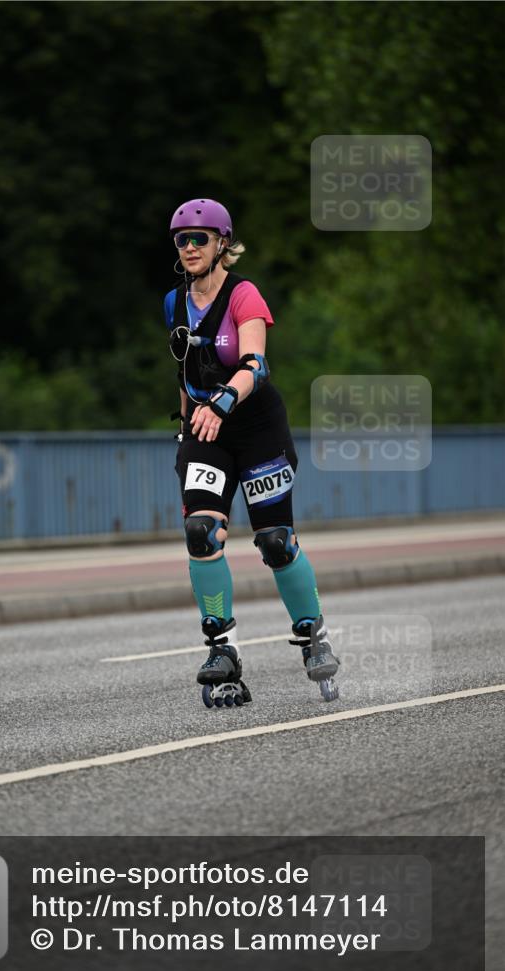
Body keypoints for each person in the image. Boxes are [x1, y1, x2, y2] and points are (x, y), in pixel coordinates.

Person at [165, 197, 339, 708]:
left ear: (222, 243)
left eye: (199, 239)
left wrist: (222, 402)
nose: (189, 247)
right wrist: (185, 431)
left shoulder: (243, 294)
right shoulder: (174, 302)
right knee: (201, 531)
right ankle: (222, 650)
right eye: (181, 240)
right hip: (206, 429)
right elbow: (185, 372)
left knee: (275, 540)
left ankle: (311, 632)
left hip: (257, 426)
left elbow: (255, 365)